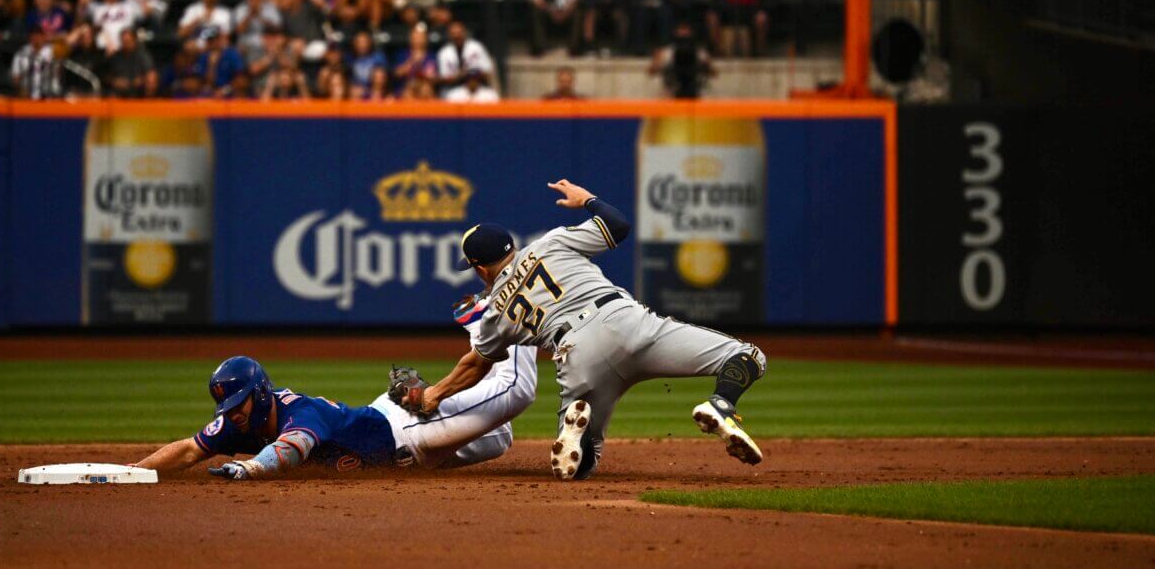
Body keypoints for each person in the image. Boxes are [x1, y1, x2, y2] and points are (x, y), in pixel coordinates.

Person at [406, 180, 767, 481]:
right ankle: (722, 404)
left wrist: (433, 396)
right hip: (626, 322)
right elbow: (618, 226)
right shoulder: (550, 243)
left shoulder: (496, 311)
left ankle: (577, 424)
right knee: (747, 355)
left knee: (581, 468)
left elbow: (475, 365)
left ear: (480, 269)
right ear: (512, 248)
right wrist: (587, 200)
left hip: (577, 355)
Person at [133, 295, 537, 477]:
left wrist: (252, 467)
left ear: (259, 395)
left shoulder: (299, 412)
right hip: (408, 444)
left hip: (407, 433)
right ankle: (480, 322)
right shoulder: (237, 424)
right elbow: (189, 449)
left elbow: (292, 450)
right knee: (498, 437)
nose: (233, 414)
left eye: (239, 404)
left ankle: (508, 312)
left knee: (514, 389)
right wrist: (135, 471)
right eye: (228, 409)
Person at [649, 20, 714, 99]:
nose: (684, 34)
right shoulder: (669, 51)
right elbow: (651, 71)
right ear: (675, 33)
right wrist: (656, 61)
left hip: (693, 89)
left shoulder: (699, 51)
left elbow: (713, 72)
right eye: (681, 30)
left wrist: (707, 64)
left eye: (686, 30)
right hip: (673, 90)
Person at [436, 21, 495, 99]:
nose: (457, 36)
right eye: (453, 33)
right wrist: (461, 75)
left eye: (459, 33)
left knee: (492, 96)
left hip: (477, 87)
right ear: (449, 35)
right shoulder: (444, 52)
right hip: (454, 89)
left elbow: (488, 71)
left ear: (465, 32)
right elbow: (444, 77)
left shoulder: (476, 47)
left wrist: (472, 73)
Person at [193, 25, 245, 93]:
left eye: (212, 40)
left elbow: (240, 78)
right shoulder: (204, 56)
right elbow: (205, 82)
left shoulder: (232, 54)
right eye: (208, 40)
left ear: (219, 39)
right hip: (210, 93)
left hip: (230, 93)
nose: (209, 43)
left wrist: (224, 91)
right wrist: (212, 65)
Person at [11, 26, 59, 98]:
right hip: (27, 93)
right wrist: (20, 88)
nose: (36, 38)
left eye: (39, 35)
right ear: (30, 37)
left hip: (48, 94)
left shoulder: (52, 52)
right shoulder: (21, 53)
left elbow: (57, 73)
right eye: (34, 36)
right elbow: (15, 78)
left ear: (44, 37)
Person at [109, 27, 158, 97]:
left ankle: (148, 106)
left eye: (128, 41)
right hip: (120, 91)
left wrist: (140, 80)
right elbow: (108, 76)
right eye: (124, 42)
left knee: (151, 80)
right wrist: (115, 81)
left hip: (140, 89)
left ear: (134, 40)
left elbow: (151, 74)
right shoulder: (116, 57)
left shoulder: (143, 55)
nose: (126, 44)